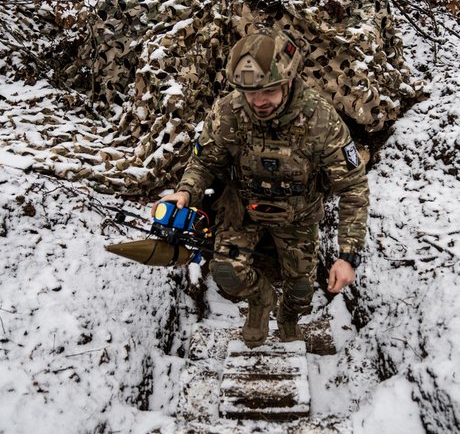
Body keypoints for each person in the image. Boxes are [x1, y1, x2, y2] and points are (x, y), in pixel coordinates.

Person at [152, 28, 369, 348]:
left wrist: (347, 255)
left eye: (268, 91)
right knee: (226, 271)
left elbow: (352, 186)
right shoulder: (228, 112)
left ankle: (288, 318)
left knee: (300, 291)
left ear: (289, 81)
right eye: (249, 92)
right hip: (243, 209)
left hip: (299, 214)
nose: (258, 101)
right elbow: (204, 163)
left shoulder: (320, 120)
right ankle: (260, 300)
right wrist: (185, 192)